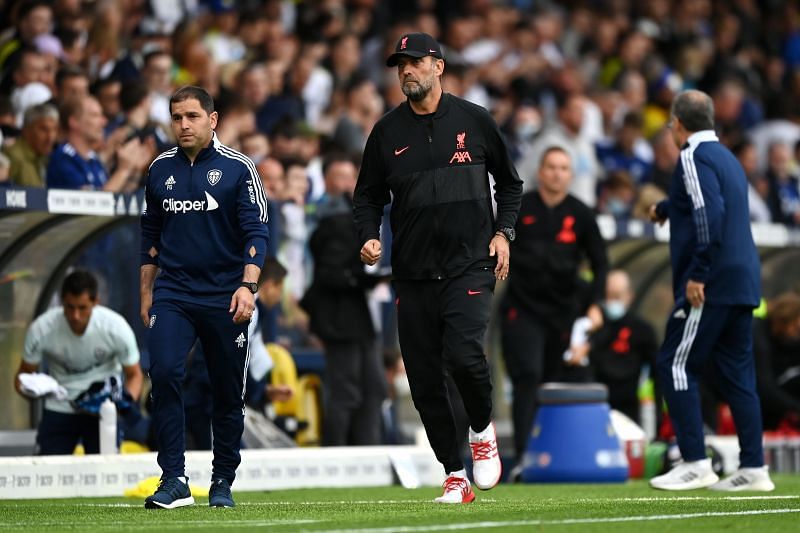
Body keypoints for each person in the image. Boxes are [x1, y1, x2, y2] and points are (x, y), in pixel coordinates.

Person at [353, 32, 522, 504]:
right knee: (424, 378)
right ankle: (454, 475)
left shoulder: (476, 120)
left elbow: (510, 185)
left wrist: (503, 233)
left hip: (470, 265)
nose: (406, 71)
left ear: (438, 67)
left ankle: (482, 429)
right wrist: (368, 235)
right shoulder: (386, 132)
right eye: (399, 65)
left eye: (414, 62)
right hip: (412, 272)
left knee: (465, 356)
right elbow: (366, 196)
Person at [139, 85, 269, 509]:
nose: (183, 125)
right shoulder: (159, 169)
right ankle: (174, 478)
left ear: (212, 120)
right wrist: (146, 292)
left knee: (227, 392)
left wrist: (248, 286)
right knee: (165, 373)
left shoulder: (239, 169)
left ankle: (222, 480)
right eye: (177, 117)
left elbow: (256, 231)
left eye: (192, 116)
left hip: (225, 294)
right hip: (173, 293)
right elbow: (150, 237)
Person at [648, 89, 774, 492]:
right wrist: (668, 209)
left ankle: (695, 462)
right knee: (739, 377)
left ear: (678, 125)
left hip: (712, 284)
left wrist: (698, 273)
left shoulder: (691, 156)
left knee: (674, 363)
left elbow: (710, 213)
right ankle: (754, 469)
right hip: (743, 282)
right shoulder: (727, 158)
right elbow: (707, 201)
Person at [500, 146, 608, 465]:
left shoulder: (582, 213)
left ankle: (552, 455)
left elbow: (601, 263)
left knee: (553, 381)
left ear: (571, 175)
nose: (557, 173)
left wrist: (596, 305)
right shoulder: (520, 207)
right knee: (527, 377)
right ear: (541, 171)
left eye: (564, 168)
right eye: (551, 167)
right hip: (523, 309)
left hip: (563, 313)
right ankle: (523, 458)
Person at [302, 153, 387, 446]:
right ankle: (336, 455)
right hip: (340, 319)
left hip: (357, 317)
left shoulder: (354, 218)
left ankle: (368, 451)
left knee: (373, 387)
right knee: (346, 391)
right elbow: (330, 273)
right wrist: (370, 279)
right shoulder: (333, 220)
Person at [13, 270, 143, 455]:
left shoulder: (116, 328)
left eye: (82, 308)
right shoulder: (41, 329)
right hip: (60, 405)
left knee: (105, 471)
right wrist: (34, 389)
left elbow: (134, 375)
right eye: (69, 307)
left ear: (95, 302)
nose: (75, 315)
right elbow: (22, 377)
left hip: (102, 409)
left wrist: (122, 403)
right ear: (61, 302)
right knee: (47, 469)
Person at [587, 270, 658, 425]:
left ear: (629, 296)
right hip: (594, 405)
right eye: (608, 295)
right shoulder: (592, 327)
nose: (612, 301)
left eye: (617, 296)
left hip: (628, 407)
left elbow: (657, 372)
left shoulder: (642, 330)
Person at [2, 101, 57, 187]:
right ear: (27, 130)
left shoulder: (45, 158)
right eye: (44, 129)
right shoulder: (14, 157)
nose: (50, 137)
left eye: (54, 129)